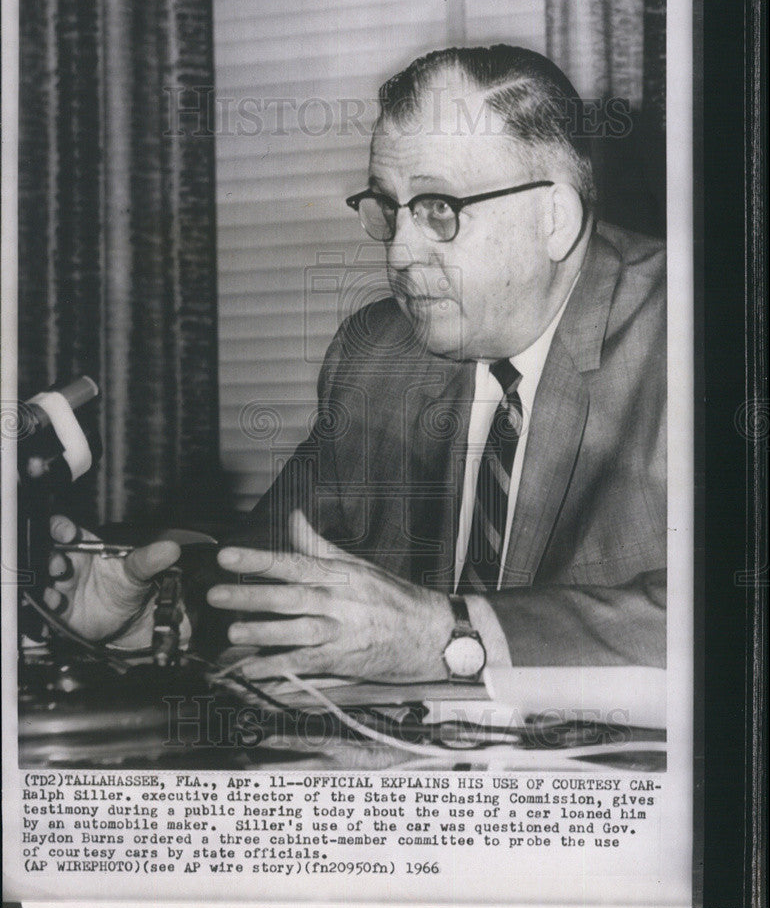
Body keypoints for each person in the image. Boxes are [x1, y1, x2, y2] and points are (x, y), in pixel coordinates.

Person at [46, 45, 666, 685]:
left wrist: (450, 634)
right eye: (389, 209)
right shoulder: (378, 357)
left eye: (437, 210)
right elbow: (274, 570)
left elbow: (719, 616)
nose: (399, 252)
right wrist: (160, 611)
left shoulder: (694, 335)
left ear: (553, 218)